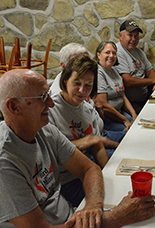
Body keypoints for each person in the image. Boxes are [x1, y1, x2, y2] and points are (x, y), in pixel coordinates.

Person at [0, 69, 155, 228]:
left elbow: (89, 168)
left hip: (73, 218)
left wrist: (92, 208)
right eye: (42, 97)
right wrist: (114, 218)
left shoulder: (43, 130)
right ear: (14, 107)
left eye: (48, 94)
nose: (51, 103)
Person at [48, 55, 119, 207]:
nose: (82, 91)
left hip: (88, 171)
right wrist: (85, 141)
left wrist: (108, 174)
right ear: (65, 80)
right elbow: (49, 153)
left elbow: (96, 145)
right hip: (65, 180)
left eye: (88, 86)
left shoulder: (87, 108)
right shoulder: (50, 110)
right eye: (76, 83)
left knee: (119, 190)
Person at [115, 19, 155, 114]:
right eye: (130, 35)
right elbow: (127, 81)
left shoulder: (138, 52)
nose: (133, 39)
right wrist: (153, 80)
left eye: (136, 36)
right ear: (120, 36)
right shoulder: (118, 52)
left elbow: (150, 71)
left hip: (144, 99)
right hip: (130, 104)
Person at [96, 41, 137, 134]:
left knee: (137, 124)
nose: (111, 55)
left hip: (120, 113)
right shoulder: (98, 72)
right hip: (108, 119)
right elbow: (104, 105)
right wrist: (124, 120)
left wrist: (133, 114)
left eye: (114, 53)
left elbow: (122, 95)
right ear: (98, 55)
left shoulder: (114, 70)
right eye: (107, 52)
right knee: (131, 132)